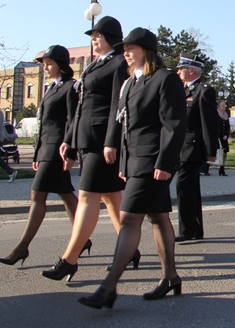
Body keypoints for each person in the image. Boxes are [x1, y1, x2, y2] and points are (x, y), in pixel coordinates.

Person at [79, 28, 186, 309]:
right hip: (136, 162)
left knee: (128, 219)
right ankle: (170, 277)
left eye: (131, 48)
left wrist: (165, 162)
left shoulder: (165, 79)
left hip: (154, 162)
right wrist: (125, 163)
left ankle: (109, 287)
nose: (125, 53)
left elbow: (173, 125)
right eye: (124, 48)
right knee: (158, 217)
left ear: (146, 51)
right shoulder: (130, 82)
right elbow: (126, 128)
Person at [43, 16, 128, 282]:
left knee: (88, 195)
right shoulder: (93, 65)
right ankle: (130, 249)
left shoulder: (118, 64)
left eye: (98, 35)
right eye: (92, 36)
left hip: (102, 141)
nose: (93, 40)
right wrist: (69, 137)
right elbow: (79, 106)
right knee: (111, 198)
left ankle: (69, 259)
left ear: (111, 38)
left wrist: (111, 141)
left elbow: (118, 106)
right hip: (86, 137)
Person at [0, 46, 78, 266]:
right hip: (45, 150)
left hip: (57, 149)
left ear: (61, 64)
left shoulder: (70, 87)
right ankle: (83, 238)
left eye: (49, 63)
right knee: (66, 195)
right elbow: (43, 125)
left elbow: (73, 121)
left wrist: (70, 149)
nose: (45, 67)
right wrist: (36, 153)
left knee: (37, 195)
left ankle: (21, 248)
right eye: (44, 64)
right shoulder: (50, 88)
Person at [175, 53, 219, 242]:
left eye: (181, 68)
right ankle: (194, 229)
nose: (178, 71)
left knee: (183, 186)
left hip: (193, 147)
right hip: (182, 147)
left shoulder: (203, 91)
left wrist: (211, 150)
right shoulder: (181, 90)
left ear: (191, 70)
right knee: (190, 188)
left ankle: (187, 230)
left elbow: (209, 123)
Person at [216, 100, 230, 176]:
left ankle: (222, 170)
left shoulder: (226, 114)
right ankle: (205, 169)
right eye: (222, 105)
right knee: (216, 153)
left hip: (224, 138)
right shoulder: (216, 114)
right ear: (218, 106)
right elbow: (215, 127)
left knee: (224, 153)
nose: (224, 106)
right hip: (217, 138)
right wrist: (220, 135)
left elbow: (228, 127)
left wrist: (226, 135)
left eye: (224, 105)